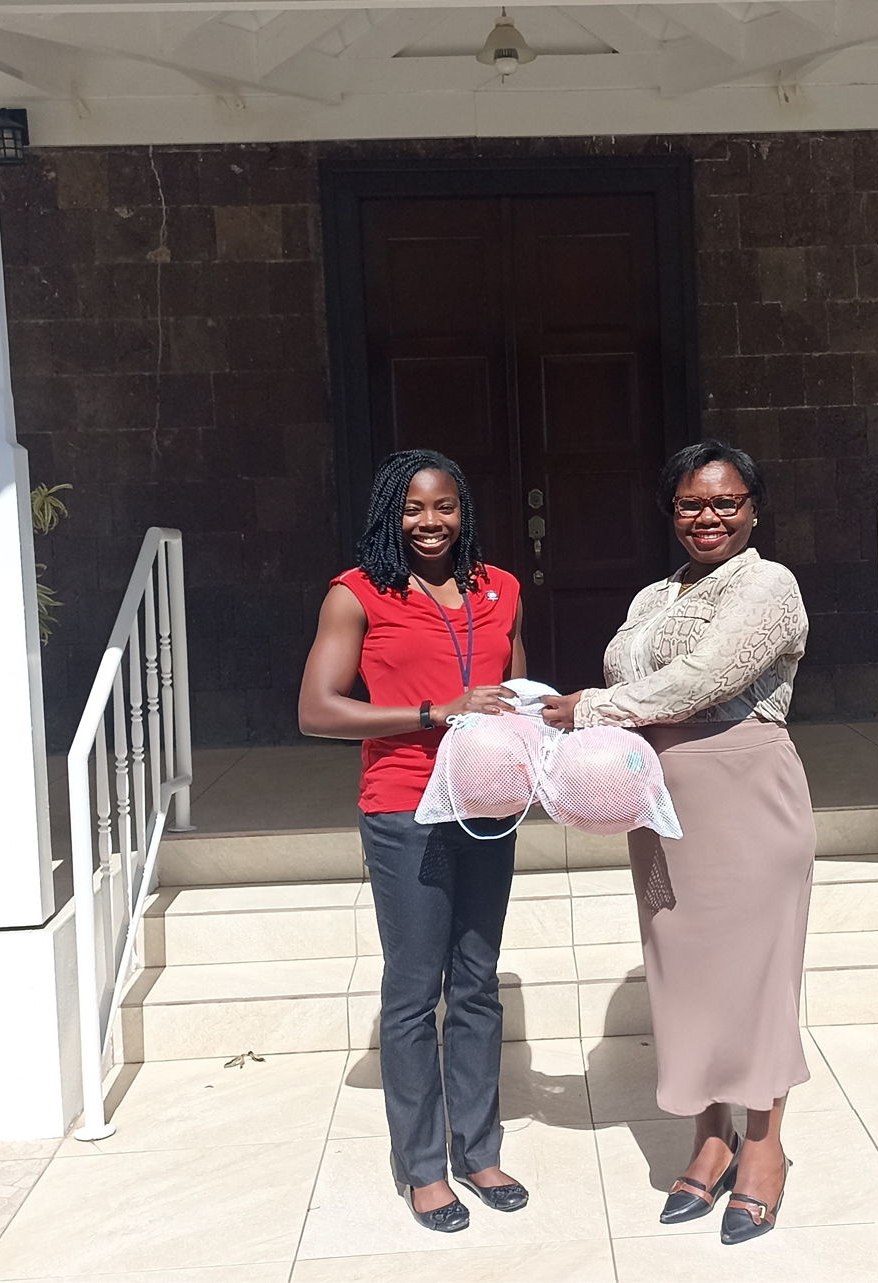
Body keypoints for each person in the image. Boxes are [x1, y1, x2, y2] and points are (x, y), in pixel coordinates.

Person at [539, 441, 813, 1246]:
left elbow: (703, 678)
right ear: (671, 510)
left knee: (756, 977)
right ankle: (709, 1134)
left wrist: (592, 708)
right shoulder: (653, 594)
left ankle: (763, 1148)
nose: (709, 516)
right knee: (683, 974)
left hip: (745, 793)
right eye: (692, 502)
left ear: (753, 508)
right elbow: (639, 677)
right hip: (661, 805)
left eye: (727, 501)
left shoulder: (768, 584)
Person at [297, 449, 532, 1233]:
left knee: (477, 981)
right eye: (412, 508)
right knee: (414, 989)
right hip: (405, 808)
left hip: (487, 805)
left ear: (464, 511)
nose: (430, 522)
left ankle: (479, 1150)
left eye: (444, 507)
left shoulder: (502, 589)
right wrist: (436, 711)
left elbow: (516, 697)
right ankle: (423, 1167)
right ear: (389, 515)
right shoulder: (357, 593)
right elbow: (317, 709)